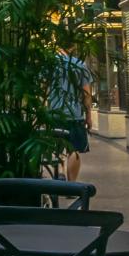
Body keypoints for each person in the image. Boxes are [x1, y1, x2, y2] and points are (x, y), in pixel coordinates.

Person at [51, 53, 94, 181]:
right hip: (75, 114)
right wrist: (89, 115)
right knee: (74, 150)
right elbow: (86, 93)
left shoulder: (52, 64)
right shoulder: (80, 65)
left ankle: (61, 172)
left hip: (55, 113)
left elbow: (44, 89)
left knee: (58, 148)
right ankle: (72, 184)